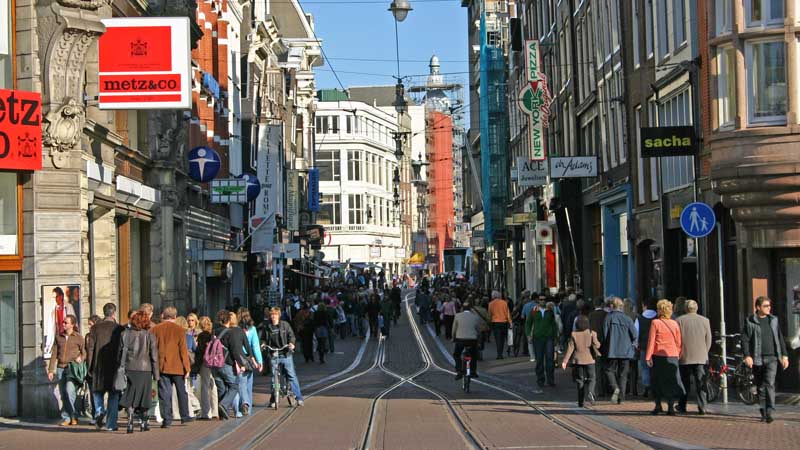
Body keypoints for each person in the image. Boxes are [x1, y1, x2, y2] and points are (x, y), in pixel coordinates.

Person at [742, 296, 790, 423]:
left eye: (769, 306)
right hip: (757, 358)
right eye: (765, 306)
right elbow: (745, 340)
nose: (769, 308)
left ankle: (769, 411)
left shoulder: (773, 320)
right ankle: (763, 410)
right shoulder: (750, 321)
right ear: (758, 307)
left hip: (772, 357)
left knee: (769, 383)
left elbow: (779, 338)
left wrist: (784, 355)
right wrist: (747, 355)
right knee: (760, 386)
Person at [150, 306, 192, 427]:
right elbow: (183, 351)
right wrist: (187, 368)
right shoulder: (180, 330)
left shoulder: (155, 330)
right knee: (181, 392)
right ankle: (184, 416)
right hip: (177, 366)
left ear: (163, 315)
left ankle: (167, 419)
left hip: (162, 366)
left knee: (164, 393)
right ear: (175, 316)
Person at [119, 311, 160, 433]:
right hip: (145, 369)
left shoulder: (125, 334)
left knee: (130, 394)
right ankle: (144, 422)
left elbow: (120, 353)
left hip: (130, 368)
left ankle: (130, 420)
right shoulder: (149, 335)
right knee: (144, 396)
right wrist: (156, 375)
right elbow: (154, 356)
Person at [85, 302, 124, 431]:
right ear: (114, 313)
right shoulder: (118, 328)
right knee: (113, 395)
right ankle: (111, 424)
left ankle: (100, 412)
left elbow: (90, 349)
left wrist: (89, 366)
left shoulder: (95, 328)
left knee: (97, 392)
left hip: (98, 365)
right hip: (114, 366)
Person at [645, 299, 685, 415]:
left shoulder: (655, 323)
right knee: (671, 381)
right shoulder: (675, 323)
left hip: (658, 356)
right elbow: (679, 342)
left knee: (657, 381)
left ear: (659, 310)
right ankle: (671, 407)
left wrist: (648, 357)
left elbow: (651, 341)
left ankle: (658, 405)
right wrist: (677, 353)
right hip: (672, 355)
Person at [261, 307, 305, 407]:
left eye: (275, 314)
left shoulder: (285, 325)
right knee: (273, 377)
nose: (273, 316)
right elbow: (263, 338)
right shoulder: (267, 326)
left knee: (291, 375)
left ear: (279, 315)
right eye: (272, 314)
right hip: (273, 354)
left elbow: (292, 336)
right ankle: (273, 399)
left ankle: (299, 398)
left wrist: (291, 343)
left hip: (285, 354)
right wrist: (263, 344)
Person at [47, 314, 85, 426]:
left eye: (66, 323)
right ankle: (68, 417)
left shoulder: (78, 337)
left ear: (72, 325)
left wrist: (81, 358)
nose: (63, 324)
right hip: (60, 368)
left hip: (72, 368)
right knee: (63, 394)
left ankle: (72, 415)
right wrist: (50, 370)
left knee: (69, 391)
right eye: (63, 322)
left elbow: (85, 352)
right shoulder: (59, 337)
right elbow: (54, 353)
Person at [675, 299, 712, 415]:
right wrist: (705, 351)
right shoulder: (705, 321)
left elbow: (677, 339)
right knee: (701, 382)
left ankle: (682, 406)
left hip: (684, 356)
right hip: (701, 356)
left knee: (684, 382)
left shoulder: (679, 320)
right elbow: (709, 339)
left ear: (685, 309)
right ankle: (702, 407)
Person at [213, 309, 250, 419]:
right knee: (234, 386)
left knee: (222, 388)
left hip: (214, 364)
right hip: (226, 364)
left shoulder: (214, 331)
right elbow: (235, 350)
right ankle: (223, 405)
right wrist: (241, 363)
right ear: (228, 320)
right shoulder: (230, 332)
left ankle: (222, 414)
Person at [602, 297, 637, 404]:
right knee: (623, 374)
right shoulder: (627, 318)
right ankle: (621, 397)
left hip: (612, 350)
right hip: (626, 351)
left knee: (609, 370)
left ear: (612, 306)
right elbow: (635, 335)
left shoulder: (608, 318)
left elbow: (605, 334)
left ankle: (615, 387)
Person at [561, 315, 601, 407]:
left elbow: (570, 348)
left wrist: (565, 361)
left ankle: (581, 402)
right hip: (590, 359)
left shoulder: (574, 334)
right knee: (592, 378)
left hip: (578, 360)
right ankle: (591, 392)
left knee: (580, 380)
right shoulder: (592, 333)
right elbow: (597, 345)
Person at [527, 298, 557, 387]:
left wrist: (555, 337)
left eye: (544, 299)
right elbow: (528, 323)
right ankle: (540, 380)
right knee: (539, 360)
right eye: (541, 299)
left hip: (549, 338)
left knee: (550, 360)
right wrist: (529, 334)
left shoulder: (550, 311)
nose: (543, 301)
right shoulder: (534, 311)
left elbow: (553, 324)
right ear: (538, 301)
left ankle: (550, 380)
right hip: (538, 338)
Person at [237, 308, 262, 416]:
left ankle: (242, 407)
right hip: (249, 358)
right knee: (248, 384)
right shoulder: (252, 329)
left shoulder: (236, 328)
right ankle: (248, 407)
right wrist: (260, 361)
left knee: (240, 383)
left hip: (238, 357)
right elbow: (255, 346)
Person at [195, 316, 218, 420]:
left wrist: (197, 365)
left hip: (205, 363)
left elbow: (200, 352)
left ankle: (205, 412)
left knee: (205, 387)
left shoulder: (201, 336)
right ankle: (215, 411)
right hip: (215, 363)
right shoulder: (213, 335)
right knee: (213, 386)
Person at [635, 298, 658, 398]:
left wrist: (636, 345)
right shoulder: (658, 318)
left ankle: (647, 387)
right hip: (657, 347)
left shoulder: (639, 319)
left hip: (644, 346)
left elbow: (636, 333)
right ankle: (655, 386)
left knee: (645, 367)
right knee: (656, 367)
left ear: (644, 306)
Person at [452, 302, 481, 379]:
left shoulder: (457, 316)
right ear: (471, 309)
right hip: (472, 340)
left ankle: (459, 371)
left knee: (456, 355)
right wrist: (479, 339)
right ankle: (473, 372)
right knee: (474, 355)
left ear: (462, 308)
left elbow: (454, 329)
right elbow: (478, 330)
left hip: (460, 340)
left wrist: (453, 338)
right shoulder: (475, 317)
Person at [488, 291, 512, 359]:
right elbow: (508, 313)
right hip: (504, 322)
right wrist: (510, 322)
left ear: (493, 296)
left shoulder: (490, 304)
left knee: (498, 339)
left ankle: (499, 354)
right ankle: (507, 349)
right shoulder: (504, 303)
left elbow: (489, 315)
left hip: (495, 323)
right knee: (504, 338)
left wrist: (489, 322)